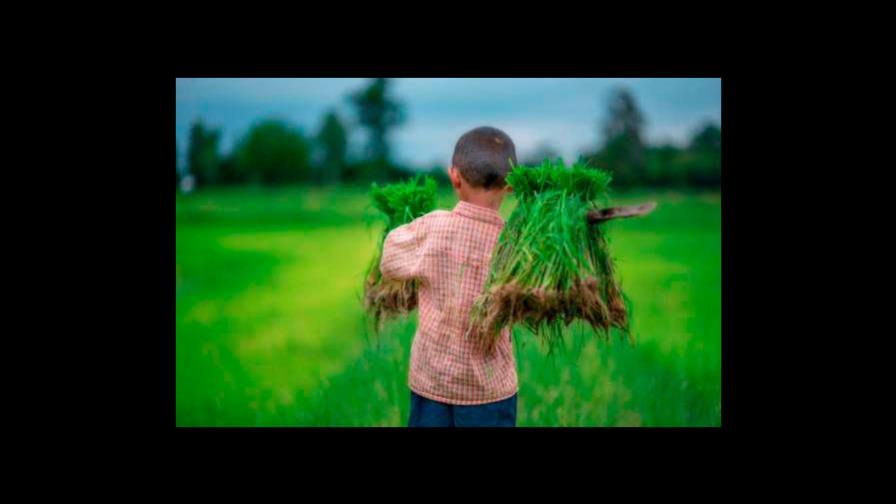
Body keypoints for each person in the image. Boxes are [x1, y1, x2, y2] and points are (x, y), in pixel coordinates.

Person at [380, 126, 518, 427]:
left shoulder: (433, 228)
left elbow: (389, 262)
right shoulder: (516, 243)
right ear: (510, 186)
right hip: (490, 392)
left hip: (432, 385)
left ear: (454, 176)